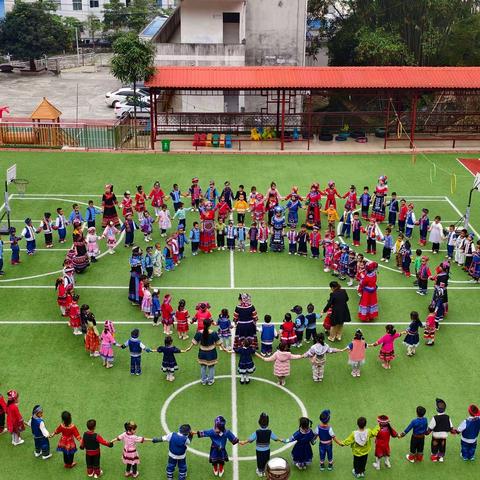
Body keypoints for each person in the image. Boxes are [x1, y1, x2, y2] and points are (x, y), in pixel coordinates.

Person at [182, 319, 224, 386]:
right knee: (211, 367)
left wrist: (189, 348)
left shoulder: (199, 332)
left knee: (203, 367)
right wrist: (225, 349)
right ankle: (210, 380)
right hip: (211, 353)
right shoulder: (213, 333)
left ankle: (203, 380)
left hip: (202, 352)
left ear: (203, 324)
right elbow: (219, 343)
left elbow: (194, 342)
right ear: (210, 325)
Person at [240, 412, 281, 477]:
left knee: (260, 461)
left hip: (259, 450)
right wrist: (281, 440)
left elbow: (250, 440)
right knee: (266, 460)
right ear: (268, 423)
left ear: (259, 422)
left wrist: (244, 442)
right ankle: (265, 471)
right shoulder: (270, 432)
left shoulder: (257, 432)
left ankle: (260, 471)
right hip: (267, 450)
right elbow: (275, 438)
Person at [427, 398, 454, 462]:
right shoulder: (448, 417)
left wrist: (426, 433)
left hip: (436, 436)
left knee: (434, 445)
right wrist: (454, 431)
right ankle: (441, 457)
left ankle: (434, 457)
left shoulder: (434, 418)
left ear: (437, 409)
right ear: (445, 409)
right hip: (444, 436)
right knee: (442, 446)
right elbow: (451, 427)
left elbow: (430, 428)